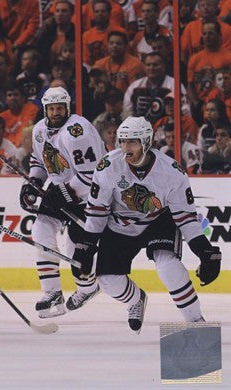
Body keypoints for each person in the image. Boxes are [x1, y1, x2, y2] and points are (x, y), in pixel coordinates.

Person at [73, 116, 221, 334]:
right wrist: (86, 246)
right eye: (122, 141)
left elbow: (186, 218)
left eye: (132, 142)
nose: (125, 147)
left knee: (167, 266)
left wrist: (204, 250)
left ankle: (196, 322)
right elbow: (97, 211)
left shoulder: (171, 172)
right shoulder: (107, 166)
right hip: (119, 224)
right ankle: (136, 299)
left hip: (158, 220)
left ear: (146, 142)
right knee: (108, 282)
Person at [19, 86, 106, 318]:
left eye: (60, 108)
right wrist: (33, 184)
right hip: (61, 190)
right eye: (51, 108)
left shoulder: (78, 131)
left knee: (75, 248)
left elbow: (92, 175)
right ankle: (51, 292)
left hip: (91, 195)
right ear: (45, 109)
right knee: (40, 230)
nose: (56, 112)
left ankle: (88, 288)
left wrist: (65, 192)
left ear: (68, 108)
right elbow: (39, 161)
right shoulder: (39, 130)